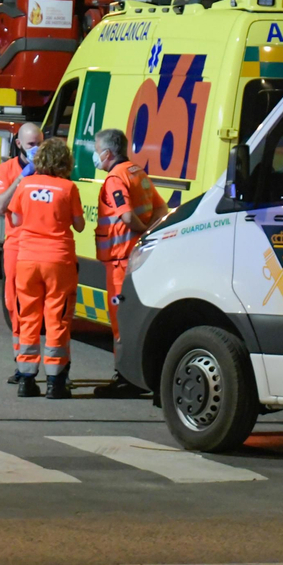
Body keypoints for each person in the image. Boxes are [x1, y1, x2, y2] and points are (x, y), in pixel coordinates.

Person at [5, 137, 84, 399]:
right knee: (57, 319)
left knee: (28, 316)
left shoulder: (25, 185)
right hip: (58, 261)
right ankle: (55, 382)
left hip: (27, 259)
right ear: (65, 161)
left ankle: (26, 380)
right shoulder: (68, 188)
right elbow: (79, 225)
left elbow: (15, 219)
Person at [91, 127, 168, 397]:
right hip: (136, 258)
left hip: (120, 261)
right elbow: (161, 208)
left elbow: (124, 217)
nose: (94, 154)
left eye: (96, 148)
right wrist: (148, 232)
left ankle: (125, 378)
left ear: (107, 153)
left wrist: (138, 230)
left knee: (119, 321)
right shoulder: (137, 172)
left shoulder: (115, 179)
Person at [0, 121, 43, 385]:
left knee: (45, 308)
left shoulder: (50, 170)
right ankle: (22, 362)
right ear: (19, 144)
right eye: (32, 145)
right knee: (15, 304)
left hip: (42, 245)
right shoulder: (6, 170)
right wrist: (22, 179)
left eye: (40, 144)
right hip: (16, 244)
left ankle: (56, 369)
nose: (37, 150)